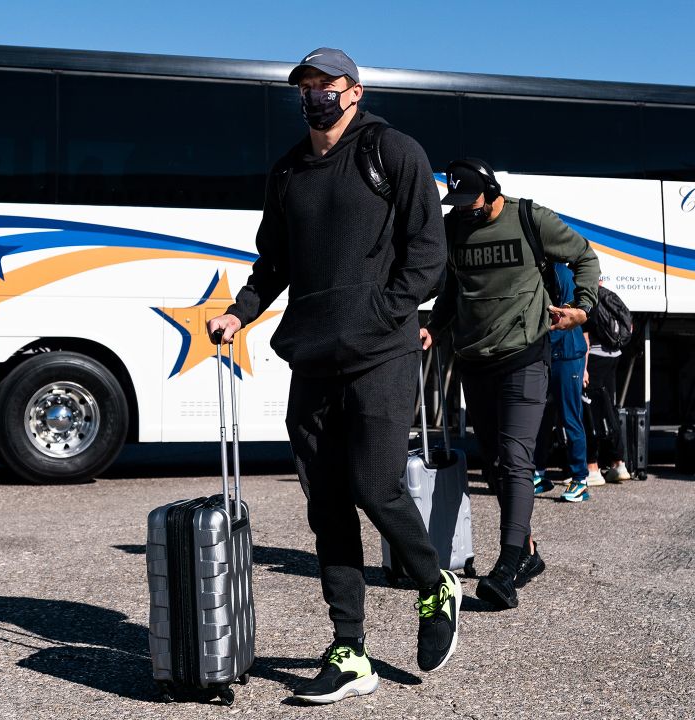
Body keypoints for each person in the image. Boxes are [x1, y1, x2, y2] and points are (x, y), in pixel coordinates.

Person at [207, 48, 459, 705]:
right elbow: (273, 264)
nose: (315, 96)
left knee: (376, 486)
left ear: (354, 91)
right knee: (326, 505)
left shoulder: (392, 152)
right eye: (306, 87)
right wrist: (239, 314)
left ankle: (435, 583)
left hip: (381, 351)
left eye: (326, 86)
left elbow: (429, 251)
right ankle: (350, 650)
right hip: (312, 356)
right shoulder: (289, 169)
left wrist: (386, 310)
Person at [422, 158, 600, 609]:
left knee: (518, 459)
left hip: (525, 356)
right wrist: (435, 327)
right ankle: (531, 551)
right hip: (473, 359)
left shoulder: (528, 218)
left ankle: (509, 562)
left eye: (471, 200)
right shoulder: (453, 227)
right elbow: (452, 288)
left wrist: (581, 308)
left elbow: (584, 256)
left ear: (492, 189)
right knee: (497, 462)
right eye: (457, 202)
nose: (464, 209)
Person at [534, 262, 592, 504]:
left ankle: (580, 480)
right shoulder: (543, 270)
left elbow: (569, 318)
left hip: (567, 356)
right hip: (550, 354)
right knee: (539, 418)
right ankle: (538, 474)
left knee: (570, 418)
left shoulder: (561, 274)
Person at [584, 281, 631, 485]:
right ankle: (618, 464)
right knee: (609, 409)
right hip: (615, 355)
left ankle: (592, 468)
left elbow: (585, 338)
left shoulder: (587, 297)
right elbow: (629, 325)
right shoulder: (610, 295)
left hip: (595, 358)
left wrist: (583, 368)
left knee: (591, 411)